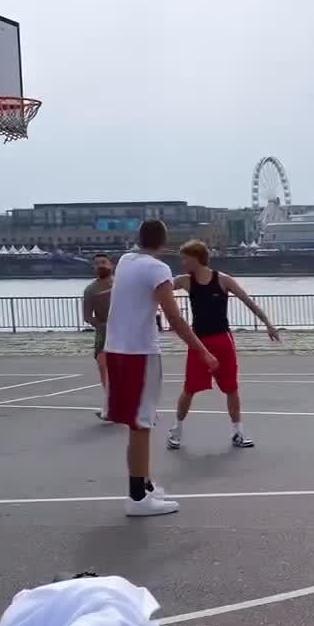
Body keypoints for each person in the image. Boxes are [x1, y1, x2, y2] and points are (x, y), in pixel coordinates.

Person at [105, 220, 219, 517]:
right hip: (139, 351)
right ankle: (137, 498)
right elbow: (175, 318)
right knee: (142, 423)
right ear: (165, 242)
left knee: (136, 423)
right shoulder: (158, 270)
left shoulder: (126, 261)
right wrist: (203, 351)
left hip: (116, 347)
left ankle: (143, 486)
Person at [167, 240, 279, 451]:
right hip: (198, 342)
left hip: (222, 340)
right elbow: (158, 288)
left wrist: (268, 324)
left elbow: (249, 302)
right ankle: (176, 431)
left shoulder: (223, 280)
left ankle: (237, 432)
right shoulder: (184, 281)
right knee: (189, 389)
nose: (182, 262)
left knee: (231, 388)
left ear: (196, 257)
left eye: (185, 257)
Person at [82, 253, 114, 419]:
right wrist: (100, 325)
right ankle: (109, 405)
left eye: (103, 262)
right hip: (103, 332)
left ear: (111, 265)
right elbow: (87, 316)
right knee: (103, 365)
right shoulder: (90, 290)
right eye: (97, 263)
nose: (101, 265)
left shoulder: (122, 284)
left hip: (125, 331)